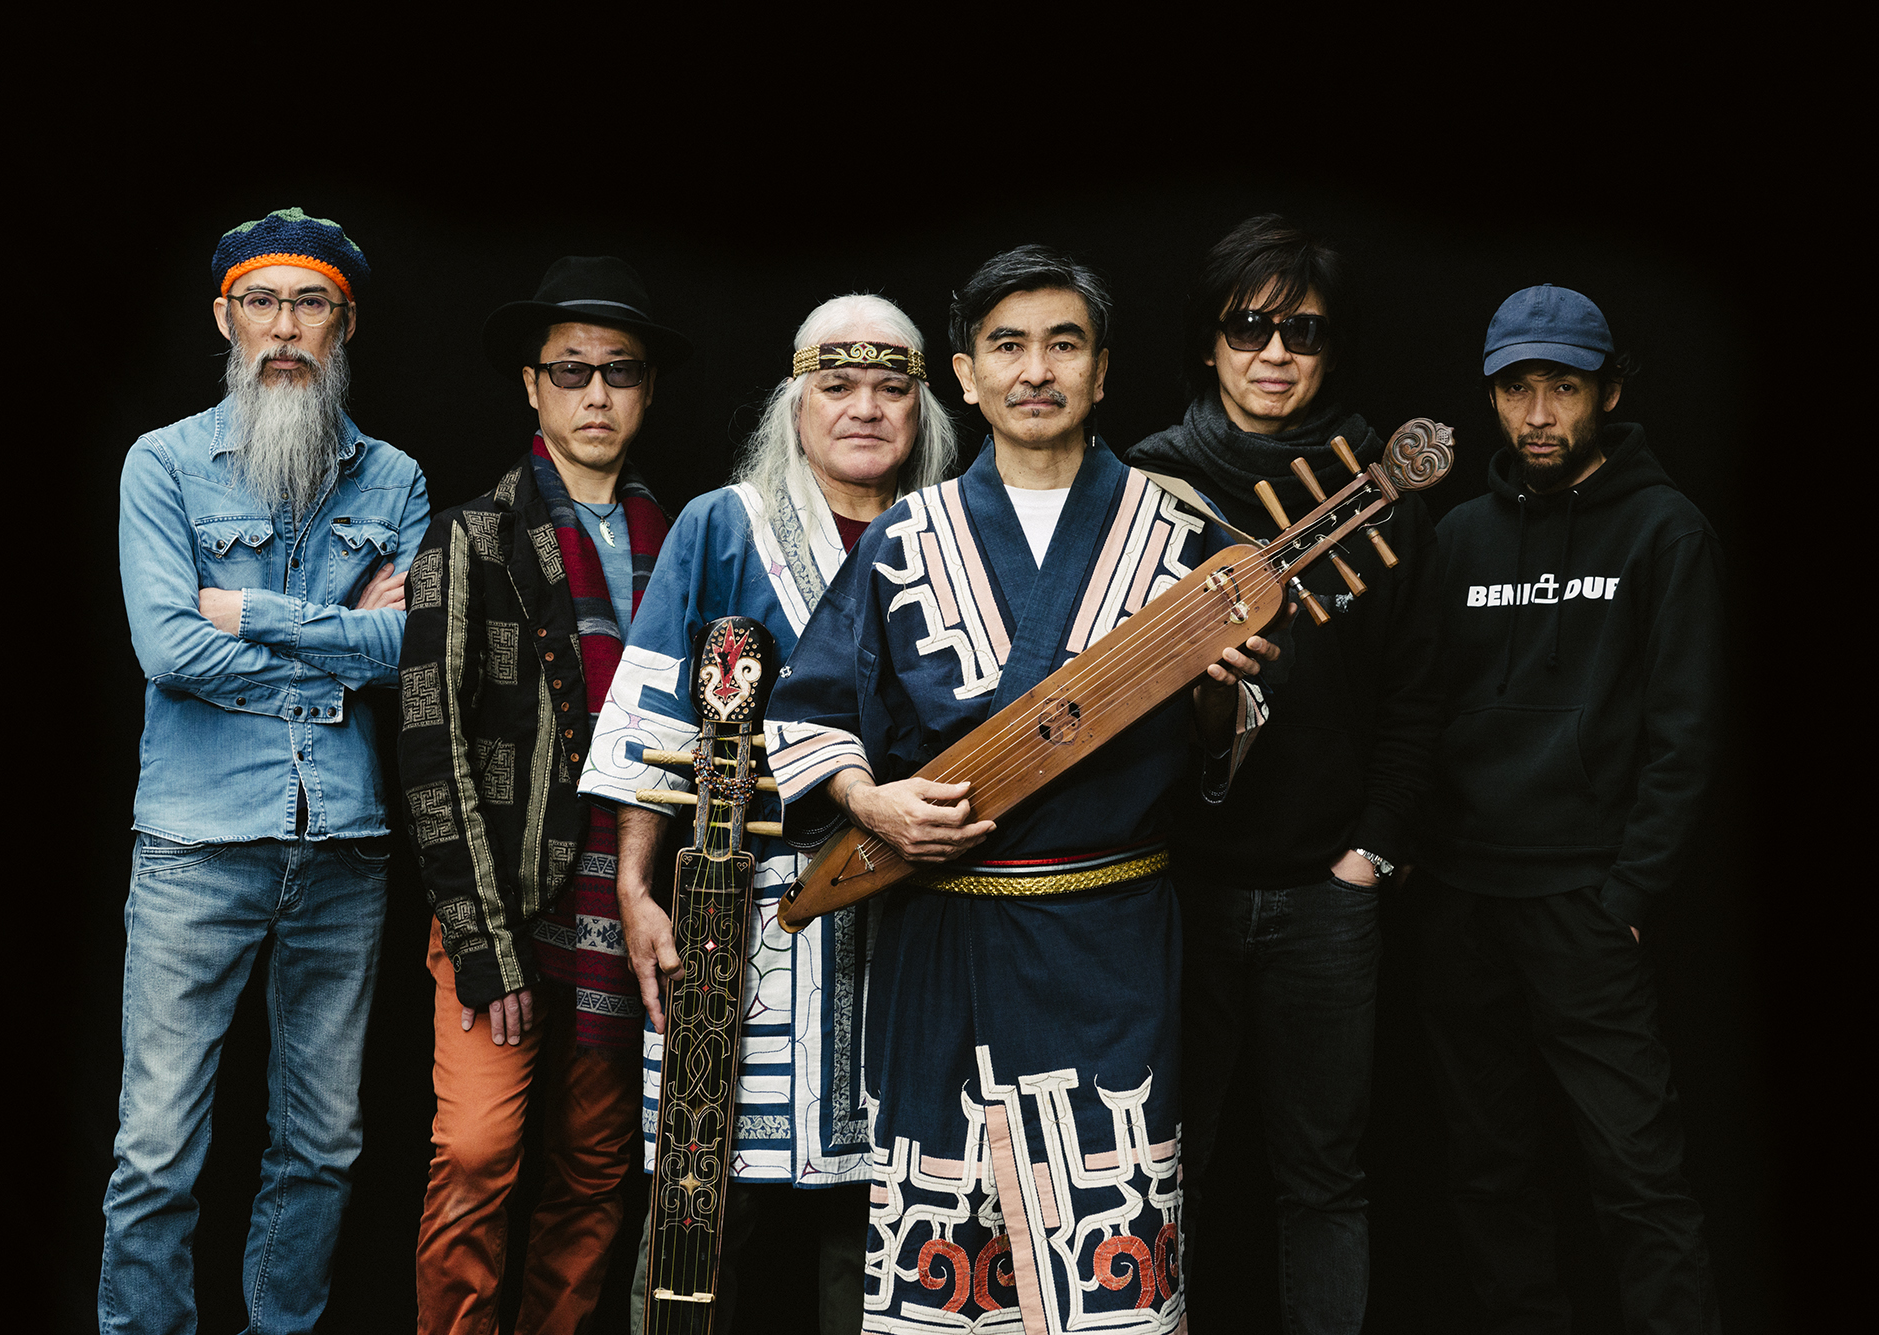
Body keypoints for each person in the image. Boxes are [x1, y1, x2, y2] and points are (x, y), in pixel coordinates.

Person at [765, 246, 1276, 1331]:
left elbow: (1223, 751)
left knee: (1111, 1248)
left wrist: (1214, 695)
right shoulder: (906, 537)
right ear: (964, 374)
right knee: (950, 1262)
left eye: (1063, 344)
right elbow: (807, 713)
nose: (1035, 370)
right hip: (942, 938)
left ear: (1102, 370)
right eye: (1007, 346)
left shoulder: (1180, 535)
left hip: (1110, 938)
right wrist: (869, 802)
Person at [583, 293, 959, 1334]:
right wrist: (634, 887)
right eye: (836, 386)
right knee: (701, 1196)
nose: (864, 408)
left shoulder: (952, 533)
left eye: (890, 388)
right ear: (796, 407)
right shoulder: (723, 526)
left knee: (885, 1207)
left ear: (923, 408)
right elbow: (651, 711)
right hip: (733, 903)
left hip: (906, 907)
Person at [102, 207, 430, 1335]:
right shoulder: (163, 464)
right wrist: (340, 651)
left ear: (347, 325)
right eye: (262, 303)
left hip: (344, 849)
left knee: (325, 1144)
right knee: (157, 1146)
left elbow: (412, 653)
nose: (285, 328)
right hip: (196, 844)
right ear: (224, 319)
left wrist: (249, 613)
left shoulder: (393, 477)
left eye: (311, 305)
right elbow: (167, 649)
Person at [1123, 214, 1431, 1332]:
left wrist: (1371, 853)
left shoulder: (1383, 488)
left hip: (1324, 893)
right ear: (1208, 341)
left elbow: (1416, 694)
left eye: (1302, 331)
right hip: (1177, 886)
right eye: (1248, 325)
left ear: (1330, 351)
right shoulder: (1146, 484)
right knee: (1164, 1164)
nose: (1272, 353)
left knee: (1324, 1178)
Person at [1416, 285, 1723, 1331]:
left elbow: (1685, 731)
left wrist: (1629, 892)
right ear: (1491, 397)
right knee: (1487, 1164)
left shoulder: (1665, 530)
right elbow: (1423, 711)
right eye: (1516, 390)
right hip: (1463, 900)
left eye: (1563, 387)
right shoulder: (1458, 535)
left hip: (1586, 900)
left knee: (1636, 1170)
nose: (1538, 414)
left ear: (1609, 391)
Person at [396, 256, 692, 1335]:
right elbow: (431, 747)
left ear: (647, 389)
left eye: (620, 370)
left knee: (596, 1170)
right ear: (532, 386)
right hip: (503, 903)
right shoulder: (471, 535)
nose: (596, 393)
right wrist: (481, 942)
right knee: (476, 1154)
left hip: (631, 910)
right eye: (571, 371)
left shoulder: (688, 543)